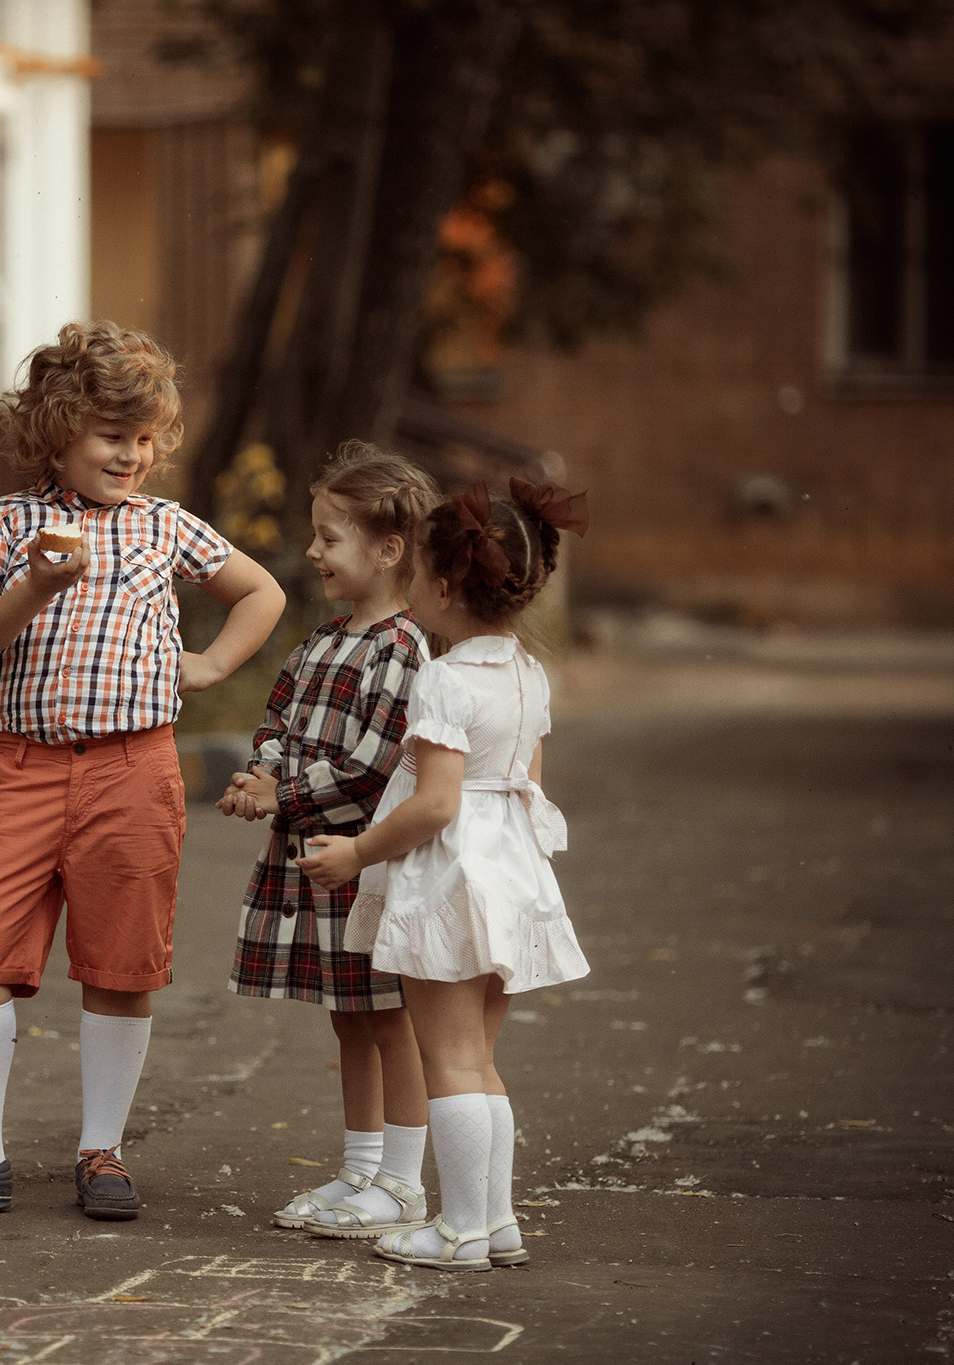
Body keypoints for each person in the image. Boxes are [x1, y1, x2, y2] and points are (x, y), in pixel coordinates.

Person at [0, 322, 286, 1221]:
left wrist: (207, 666)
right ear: (58, 427)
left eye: (144, 438)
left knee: (122, 960)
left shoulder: (164, 527)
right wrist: (36, 587)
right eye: (111, 435)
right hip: (22, 768)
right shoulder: (7, 523)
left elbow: (264, 592)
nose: (131, 454)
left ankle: (103, 1151)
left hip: (135, 769)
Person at [298, 477, 591, 1270]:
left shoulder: (445, 676)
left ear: (445, 583)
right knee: (479, 1058)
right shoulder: (529, 674)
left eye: (421, 571)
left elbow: (434, 804)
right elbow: (527, 780)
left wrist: (357, 852)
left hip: (450, 879)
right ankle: (494, 1222)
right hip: (509, 875)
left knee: (448, 1059)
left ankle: (458, 1228)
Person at [214, 444, 439, 1238]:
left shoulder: (403, 648)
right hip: (313, 856)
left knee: (389, 1017)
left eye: (329, 537)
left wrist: (287, 793)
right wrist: (256, 778)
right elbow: (279, 722)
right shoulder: (321, 640)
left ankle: (404, 1184)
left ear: (388, 550)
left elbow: (377, 765)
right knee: (349, 1014)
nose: (312, 551)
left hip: (366, 857)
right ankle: (360, 1168)